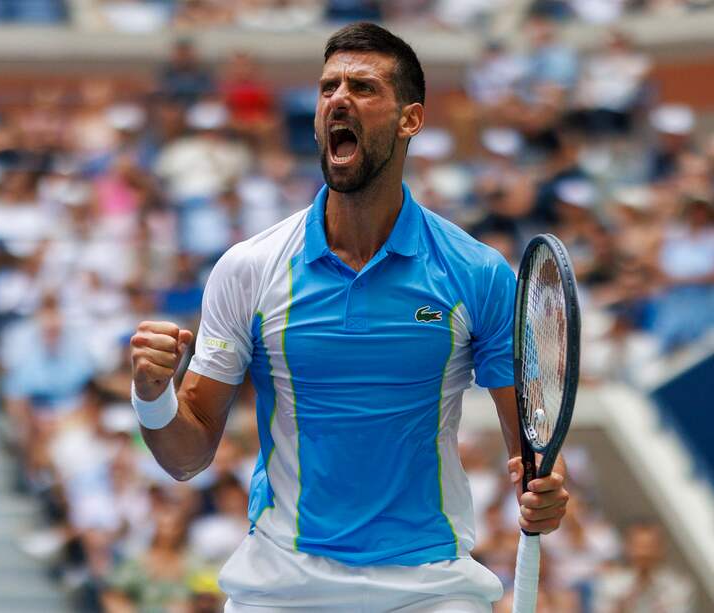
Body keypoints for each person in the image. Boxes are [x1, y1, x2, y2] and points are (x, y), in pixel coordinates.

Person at [129, 23, 569, 612]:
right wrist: (152, 395)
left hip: (429, 588)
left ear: (409, 119)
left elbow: (532, 455)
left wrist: (546, 492)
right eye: (327, 87)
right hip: (280, 587)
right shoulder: (249, 269)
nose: (338, 99)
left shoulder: (478, 274)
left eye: (362, 88)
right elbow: (186, 459)